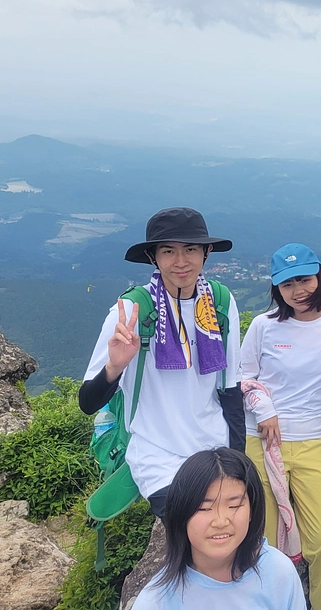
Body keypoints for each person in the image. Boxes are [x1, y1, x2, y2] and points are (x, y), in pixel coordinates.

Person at [79, 207, 242, 520]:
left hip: (214, 451)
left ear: (206, 252)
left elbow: (230, 389)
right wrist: (115, 367)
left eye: (190, 249)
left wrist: (238, 462)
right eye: (168, 251)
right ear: (153, 257)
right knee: (196, 535)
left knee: (230, 543)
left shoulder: (220, 302)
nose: (181, 262)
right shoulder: (131, 312)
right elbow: (88, 401)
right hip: (157, 458)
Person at [238, 242, 321, 610]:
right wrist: (265, 410)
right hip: (262, 441)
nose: (298, 291)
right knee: (263, 546)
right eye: (287, 284)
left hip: (315, 441)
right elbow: (244, 379)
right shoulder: (263, 326)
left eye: (305, 280)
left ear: (320, 277)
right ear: (277, 289)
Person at [132, 447, 306, 609]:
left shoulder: (278, 572)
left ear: (252, 510)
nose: (221, 521)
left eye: (234, 505)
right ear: (181, 514)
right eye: (204, 508)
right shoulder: (155, 601)